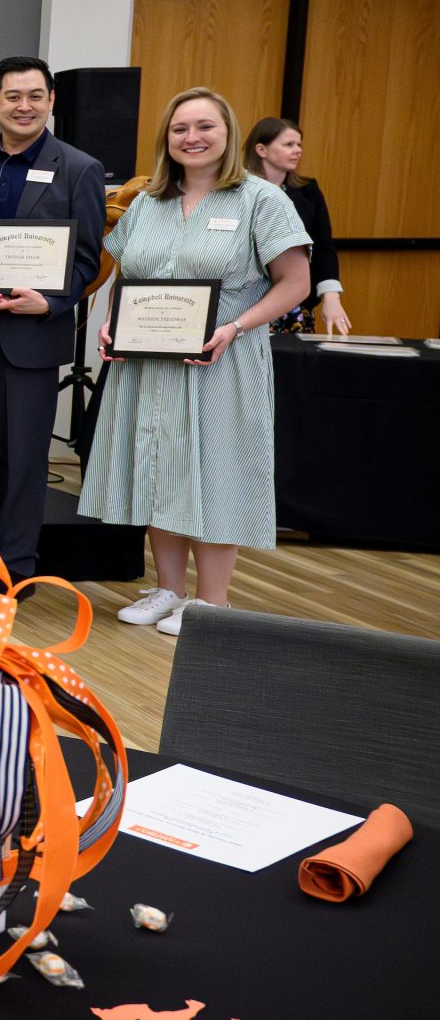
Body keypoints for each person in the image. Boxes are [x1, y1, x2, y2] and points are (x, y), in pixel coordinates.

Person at [82, 88, 310, 635]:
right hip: (149, 361)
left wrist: (235, 327)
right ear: (167, 138)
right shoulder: (147, 202)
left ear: (229, 135)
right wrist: (113, 323)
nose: (192, 138)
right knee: (161, 471)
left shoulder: (260, 200)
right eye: (181, 128)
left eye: (205, 126)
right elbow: (128, 277)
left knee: (215, 471)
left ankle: (211, 602)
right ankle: (167, 589)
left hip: (221, 362)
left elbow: (295, 283)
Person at [0, 57, 105, 581]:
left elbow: (86, 259)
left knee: (23, 461)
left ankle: (12, 570)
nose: (24, 106)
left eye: (35, 96)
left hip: (30, 335)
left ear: (51, 101)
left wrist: (52, 303)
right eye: (13, 96)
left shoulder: (79, 168)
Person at [244, 117, 351, 335]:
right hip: (246, 305)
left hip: (295, 306)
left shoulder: (308, 191)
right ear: (261, 150)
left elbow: (323, 246)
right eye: (288, 144)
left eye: (299, 144)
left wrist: (331, 297)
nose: (298, 150)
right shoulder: (239, 192)